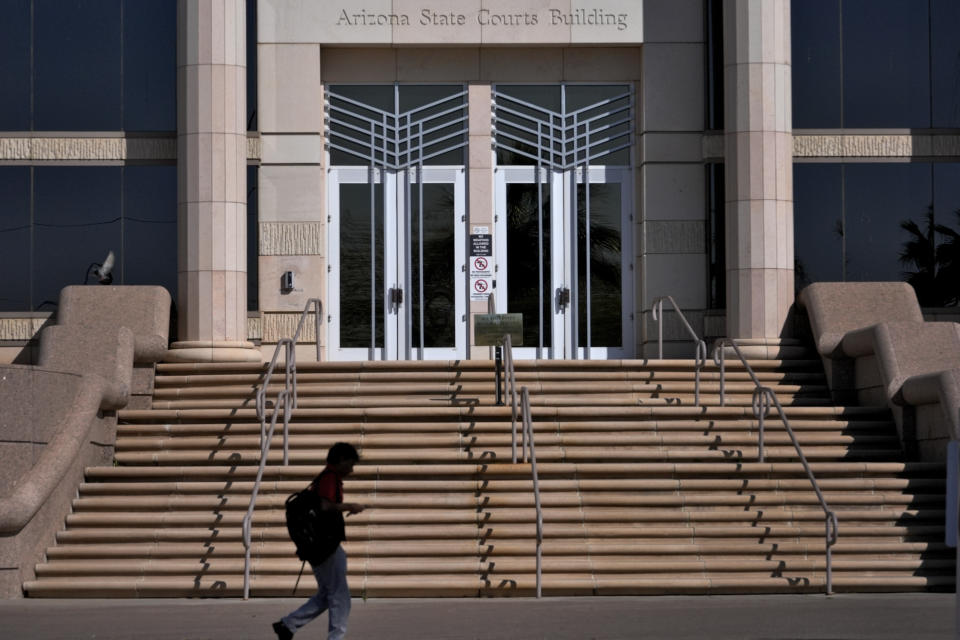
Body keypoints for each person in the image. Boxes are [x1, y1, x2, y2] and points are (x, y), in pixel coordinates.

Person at [273, 443, 365, 640]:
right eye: (350, 464)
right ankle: (335, 637)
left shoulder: (326, 477)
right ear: (340, 460)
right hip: (326, 545)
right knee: (340, 597)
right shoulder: (329, 478)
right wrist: (350, 506)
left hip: (321, 545)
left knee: (327, 593)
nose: (352, 469)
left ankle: (288, 625)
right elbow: (325, 505)